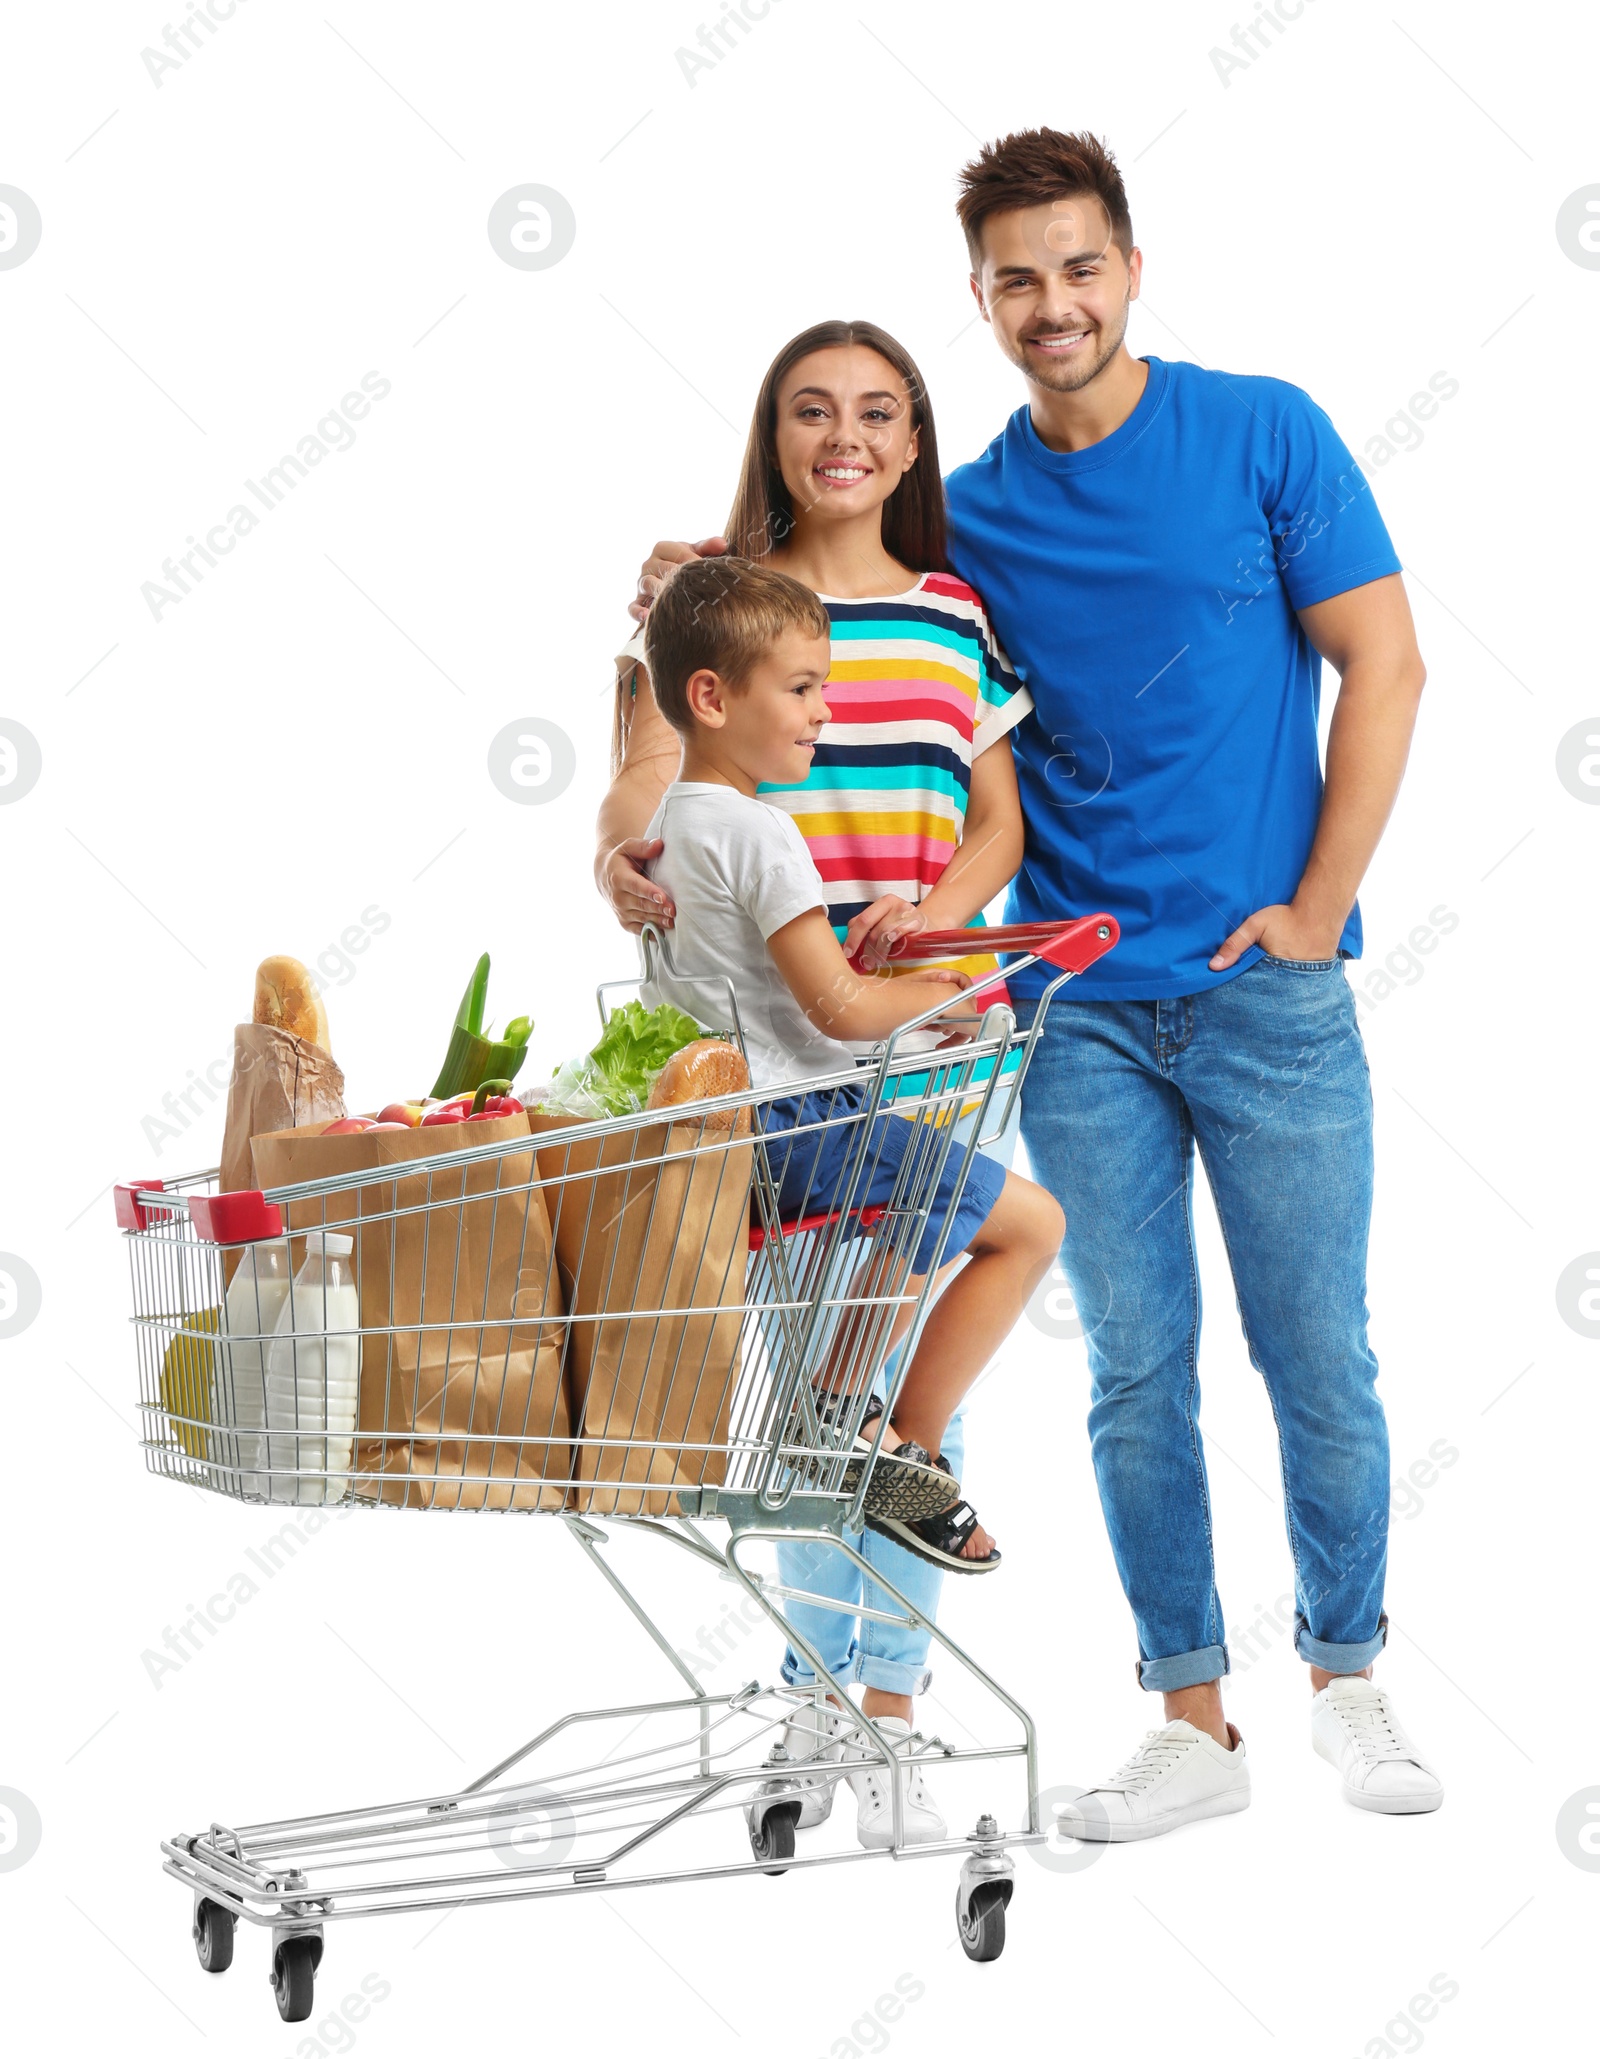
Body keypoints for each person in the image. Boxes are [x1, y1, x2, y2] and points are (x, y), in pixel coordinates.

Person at [627, 129, 1443, 1831]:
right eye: (1016, 279)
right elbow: (785, 649)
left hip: (1261, 992)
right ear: (982, 302)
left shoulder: (1262, 430)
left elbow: (1386, 661)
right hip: (1062, 1018)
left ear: (1131, 269)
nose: (1053, 303)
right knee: (1132, 1366)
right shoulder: (971, 527)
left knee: (1319, 1352)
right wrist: (672, 629)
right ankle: (1190, 1724)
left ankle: (1351, 1681)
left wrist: (1316, 907)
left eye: (1080, 267)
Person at [595, 321, 1037, 1848]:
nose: (842, 435)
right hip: (769, 1055)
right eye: (809, 409)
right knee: (804, 1386)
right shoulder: (705, 596)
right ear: (773, 432)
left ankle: (890, 1704)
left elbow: (997, 821)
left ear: (913, 444)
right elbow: (642, 780)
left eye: (876, 412)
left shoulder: (953, 616)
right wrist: (618, 852)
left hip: (914, 1037)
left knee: (888, 1396)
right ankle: (815, 1692)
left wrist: (938, 920)